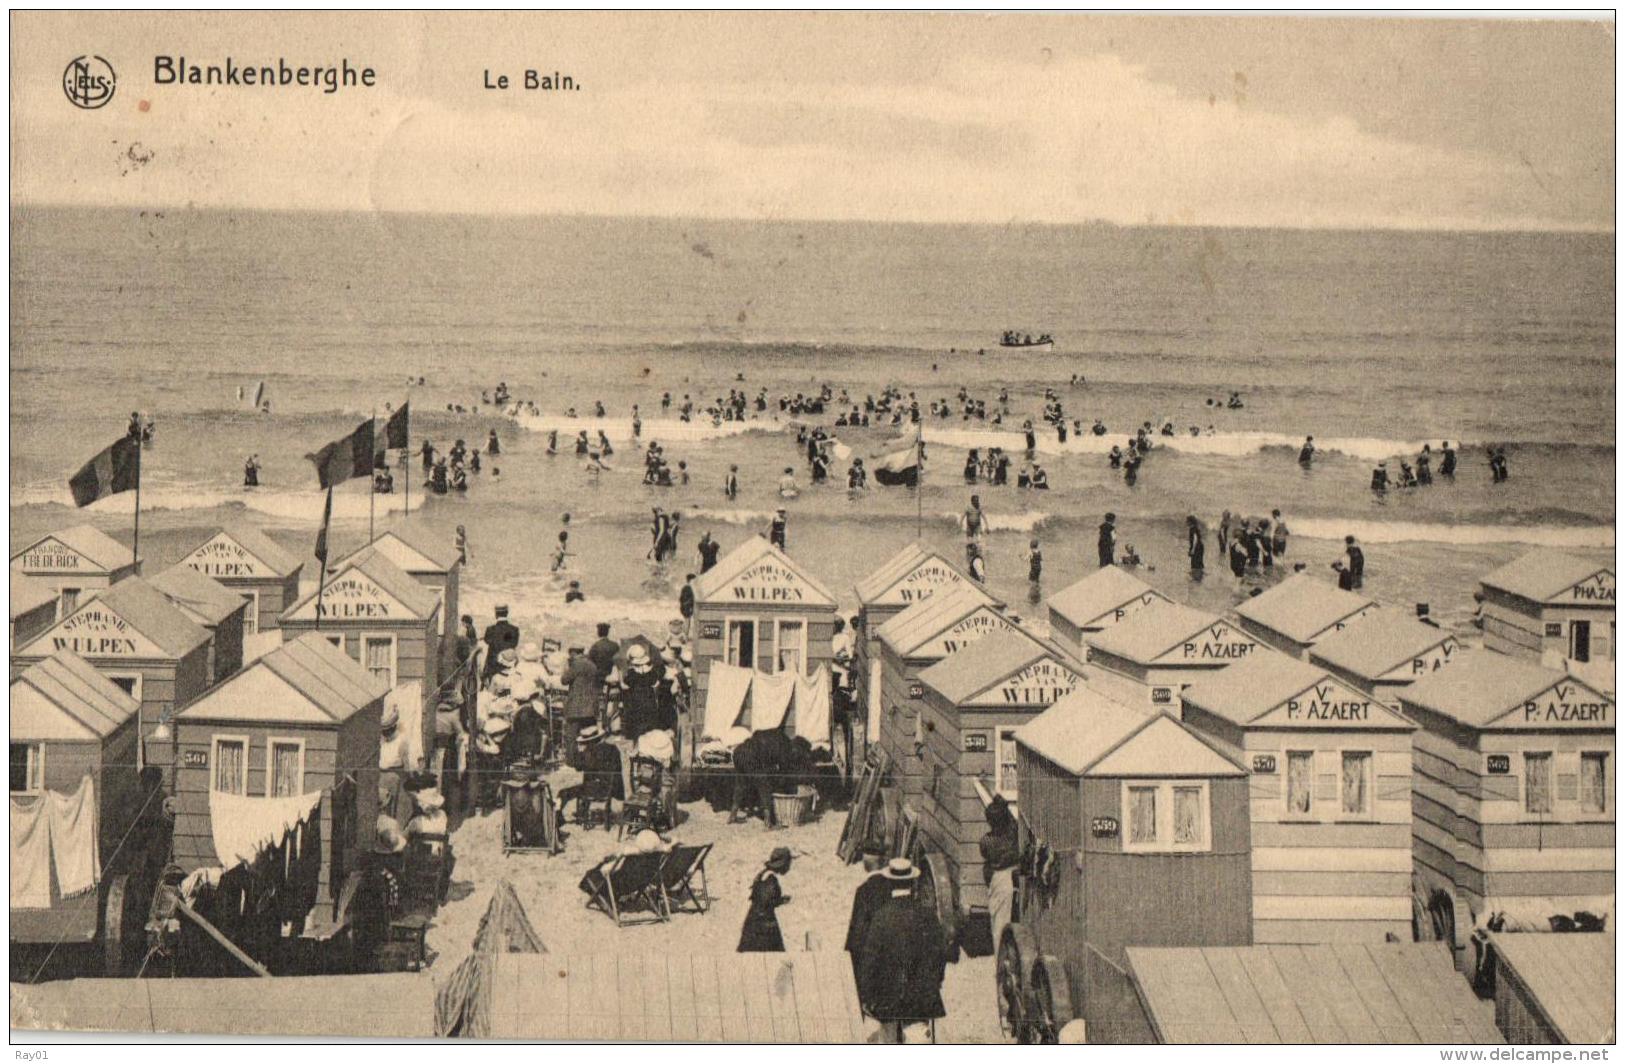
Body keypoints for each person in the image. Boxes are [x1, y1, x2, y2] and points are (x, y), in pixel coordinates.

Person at [856, 859, 948, 1043]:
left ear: (890, 883)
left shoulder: (881, 918)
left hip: (887, 999)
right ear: (913, 882)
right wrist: (935, 981)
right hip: (920, 998)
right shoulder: (927, 915)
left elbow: (870, 962)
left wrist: (866, 996)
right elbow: (940, 954)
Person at [844, 842, 892, 991]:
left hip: (869, 952)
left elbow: (857, 928)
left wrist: (850, 956)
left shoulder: (863, 891)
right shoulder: (891, 887)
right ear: (883, 862)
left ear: (865, 865)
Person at [980, 796, 1020, 954]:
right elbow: (1012, 822)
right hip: (1014, 874)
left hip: (999, 880)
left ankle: (1000, 963)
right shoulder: (1013, 835)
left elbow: (984, 854)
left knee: (999, 925)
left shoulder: (987, 841)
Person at [738, 847, 793, 952]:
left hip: (755, 921)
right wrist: (779, 901)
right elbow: (764, 902)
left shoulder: (764, 874)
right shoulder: (770, 879)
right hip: (763, 925)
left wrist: (780, 900)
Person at [560, 647, 602, 768]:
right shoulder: (592, 665)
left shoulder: (576, 664)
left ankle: (572, 761)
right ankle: (591, 759)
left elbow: (564, 680)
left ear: (573, 653)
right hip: (591, 706)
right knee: (591, 735)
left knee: (571, 735)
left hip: (576, 706)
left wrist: (566, 666)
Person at [482, 606, 520, 682]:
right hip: (510, 665)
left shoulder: (490, 629)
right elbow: (514, 644)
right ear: (507, 613)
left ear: (496, 615)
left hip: (493, 667)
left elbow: (486, 641)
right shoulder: (515, 629)